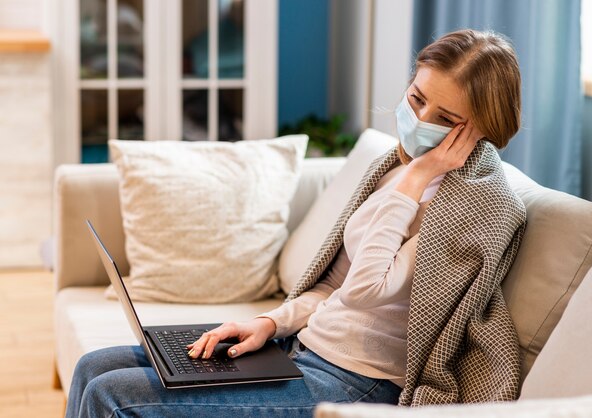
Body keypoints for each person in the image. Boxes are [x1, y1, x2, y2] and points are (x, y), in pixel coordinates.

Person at [66, 29, 526, 417]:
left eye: (444, 119)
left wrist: (418, 178)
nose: (419, 121)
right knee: (92, 368)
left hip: (356, 385)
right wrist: (270, 322)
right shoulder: (392, 170)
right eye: (416, 99)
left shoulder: (476, 206)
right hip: (301, 351)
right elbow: (337, 287)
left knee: (113, 397)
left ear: (482, 128)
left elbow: (368, 289)